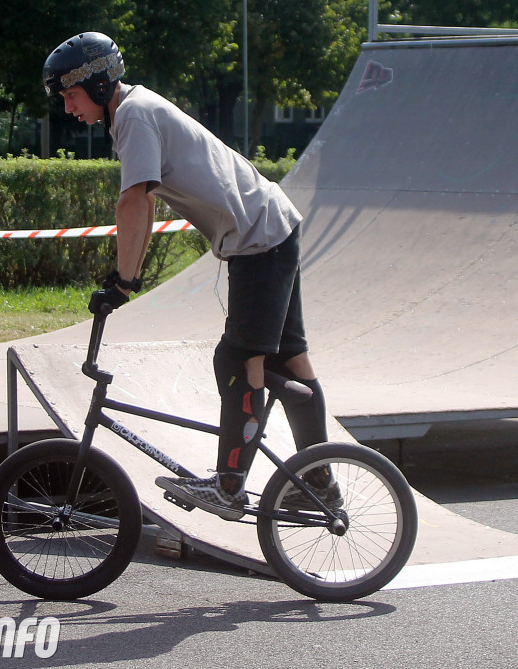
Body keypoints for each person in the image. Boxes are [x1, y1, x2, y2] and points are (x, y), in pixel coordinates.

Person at [43, 32, 339, 521]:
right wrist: (125, 278)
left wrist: (123, 282)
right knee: (289, 360)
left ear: (96, 84)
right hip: (268, 228)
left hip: (258, 239)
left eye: (70, 96)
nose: (68, 108)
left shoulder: (134, 116)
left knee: (237, 359)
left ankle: (228, 487)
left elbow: (135, 200)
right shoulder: (132, 113)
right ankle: (320, 484)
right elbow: (144, 198)